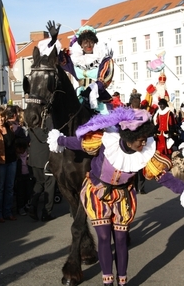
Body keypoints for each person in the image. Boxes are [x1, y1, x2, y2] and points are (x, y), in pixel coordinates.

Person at [47, 106, 184, 286]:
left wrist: (182, 189)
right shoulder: (106, 141)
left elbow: (162, 176)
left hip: (123, 195)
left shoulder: (145, 153)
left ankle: (122, 281)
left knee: (120, 239)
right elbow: (79, 143)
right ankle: (108, 282)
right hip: (98, 191)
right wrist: (60, 140)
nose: (144, 144)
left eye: (145, 140)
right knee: (104, 237)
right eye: (140, 140)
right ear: (129, 138)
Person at [38, 20, 114, 114]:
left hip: (99, 98)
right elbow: (56, 57)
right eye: (85, 42)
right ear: (81, 45)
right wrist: (53, 40)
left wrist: (92, 89)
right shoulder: (74, 61)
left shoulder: (104, 60)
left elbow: (105, 78)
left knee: (109, 125)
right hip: (79, 96)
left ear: (95, 43)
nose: (88, 45)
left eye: (91, 42)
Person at [28, 117, 56, 221]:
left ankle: (32, 205)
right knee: (50, 184)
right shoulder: (48, 121)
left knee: (39, 183)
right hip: (45, 159)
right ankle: (46, 212)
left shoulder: (31, 126)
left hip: (34, 159)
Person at [14, 138, 34, 216]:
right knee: (20, 193)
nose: (20, 151)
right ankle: (20, 207)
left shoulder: (28, 154)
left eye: (21, 149)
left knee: (28, 192)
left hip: (28, 175)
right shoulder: (16, 156)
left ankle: (27, 205)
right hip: (20, 176)